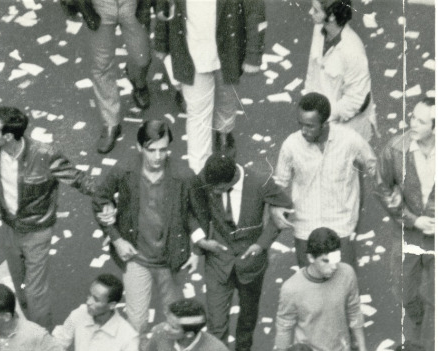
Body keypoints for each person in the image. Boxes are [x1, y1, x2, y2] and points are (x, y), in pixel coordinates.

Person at [0, 107, 87, 328]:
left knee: (35, 291)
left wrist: (107, 197)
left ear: (8, 136)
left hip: (37, 232)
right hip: (10, 228)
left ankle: (40, 336)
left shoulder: (45, 155)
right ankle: (28, 324)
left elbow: (78, 178)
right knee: (19, 282)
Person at [90, 119, 209, 334]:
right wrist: (117, 239)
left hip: (172, 258)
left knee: (174, 317)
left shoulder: (184, 176)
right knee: (137, 322)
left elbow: (199, 213)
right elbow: (100, 198)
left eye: (163, 150)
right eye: (151, 150)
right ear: (139, 147)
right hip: (136, 256)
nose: (157, 157)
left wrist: (197, 250)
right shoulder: (124, 170)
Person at [198, 154, 291, 351]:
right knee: (216, 321)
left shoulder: (260, 182)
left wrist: (262, 243)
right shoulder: (205, 179)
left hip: (251, 262)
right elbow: (193, 206)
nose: (213, 193)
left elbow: (284, 206)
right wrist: (202, 240)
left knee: (248, 313)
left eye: (218, 189)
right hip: (218, 261)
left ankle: (243, 349)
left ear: (231, 181)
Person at [274, 91, 379, 267]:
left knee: (343, 281)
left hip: (341, 224)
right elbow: (279, 184)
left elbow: (374, 168)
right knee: (307, 282)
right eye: (301, 124)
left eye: (309, 126)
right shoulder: (290, 146)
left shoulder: (350, 140)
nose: (303, 131)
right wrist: (275, 208)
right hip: (304, 225)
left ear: (324, 123)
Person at [162, 0, 265, 174]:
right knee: (197, 114)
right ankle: (201, 173)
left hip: (228, 50)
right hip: (190, 54)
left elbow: (255, 11)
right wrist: (161, 42)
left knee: (226, 99)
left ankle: (223, 133)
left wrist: (253, 55)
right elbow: (163, 6)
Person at [378, 98, 435, 351]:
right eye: (413, 117)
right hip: (409, 233)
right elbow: (383, 188)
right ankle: (417, 316)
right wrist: (411, 219)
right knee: (403, 289)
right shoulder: (395, 150)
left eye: (421, 121)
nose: (412, 123)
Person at [273, 227, 371, 351]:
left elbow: (354, 311)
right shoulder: (291, 289)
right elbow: (284, 328)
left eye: (336, 259)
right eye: (326, 261)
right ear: (311, 258)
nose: (333, 267)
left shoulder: (347, 273)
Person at [304, 0, 375, 142]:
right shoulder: (319, 29)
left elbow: (356, 100)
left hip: (349, 127)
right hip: (322, 120)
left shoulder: (353, 50)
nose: (310, 12)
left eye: (316, 10)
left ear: (331, 17)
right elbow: (313, 68)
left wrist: (321, 116)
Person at [86, 0, 151, 155]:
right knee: (102, 66)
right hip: (100, 6)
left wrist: (145, 6)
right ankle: (111, 123)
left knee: (142, 58)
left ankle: (138, 82)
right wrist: (86, 13)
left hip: (131, 4)